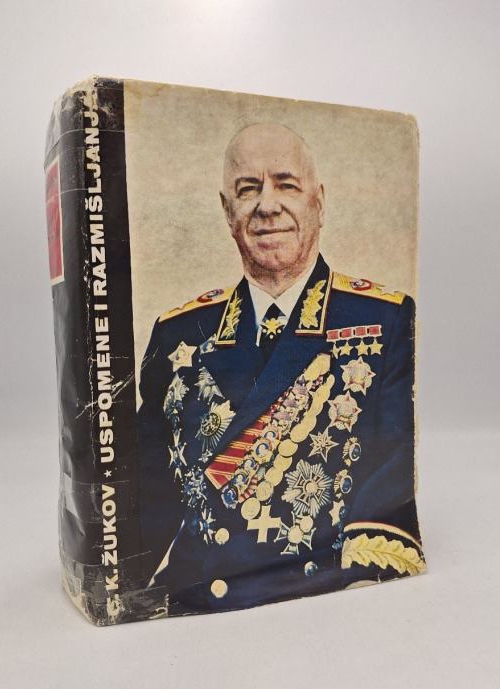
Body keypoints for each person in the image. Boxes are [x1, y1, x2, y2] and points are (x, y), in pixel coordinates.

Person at [138, 123, 425, 615]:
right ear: (227, 211)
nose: (267, 206)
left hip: (316, 602)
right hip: (195, 607)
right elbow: (147, 500)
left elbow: (387, 492)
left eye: (286, 184)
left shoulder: (384, 321)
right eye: (248, 189)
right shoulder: (178, 334)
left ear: (319, 202)